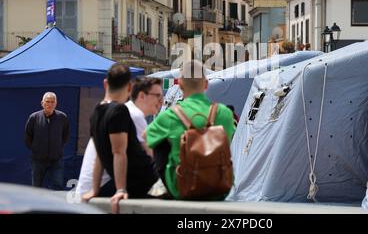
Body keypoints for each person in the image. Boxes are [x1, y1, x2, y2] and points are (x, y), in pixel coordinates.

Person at [147, 59, 235, 199]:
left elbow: (146, 139)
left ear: (180, 84)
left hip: (182, 189)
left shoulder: (169, 116)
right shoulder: (225, 114)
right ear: (206, 84)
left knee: (161, 143)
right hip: (220, 188)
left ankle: (161, 186)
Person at [82, 63, 158, 213]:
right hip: (144, 180)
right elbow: (119, 152)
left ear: (105, 83)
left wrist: (95, 189)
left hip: (138, 181)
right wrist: (120, 189)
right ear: (130, 88)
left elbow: (99, 155)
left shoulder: (95, 112)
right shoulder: (119, 110)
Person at [24, 92, 70, 190]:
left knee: (57, 186)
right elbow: (28, 136)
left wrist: (57, 148)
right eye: (47, 101)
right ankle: (36, 205)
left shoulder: (62, 117)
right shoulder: (34, 117)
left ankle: (56, 206)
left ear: (56, 103)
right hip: (38, 160)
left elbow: (65, 135)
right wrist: (36, 149)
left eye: (52, 102)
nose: (50, 104)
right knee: (36, 187)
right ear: (42, 103)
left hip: (56, 160)